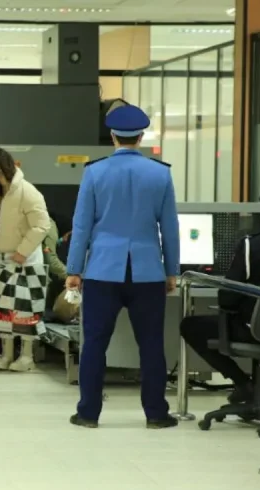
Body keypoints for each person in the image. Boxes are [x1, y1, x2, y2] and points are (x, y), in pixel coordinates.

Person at [65, 104, 179, 430]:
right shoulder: (160, 174)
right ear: (141, 137)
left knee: (95, 343)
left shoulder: (94, 172)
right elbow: (169, 228)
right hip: (147, 273)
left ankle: (88, 412)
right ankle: (156, 413)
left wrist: (74, 269)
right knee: (152, 344)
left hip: (102, 271)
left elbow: (82, 225)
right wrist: (171, 270)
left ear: (113, 136)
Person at [181, 183, 260, 405]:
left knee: (190, 326)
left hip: (254, 330)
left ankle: (244, 384)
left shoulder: (252, 246)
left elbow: (227, 299)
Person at [0, 147, 50, 373]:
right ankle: (6, 353)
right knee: (3, 307)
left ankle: (26, 356)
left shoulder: (27, 192)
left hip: (25, 259)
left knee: (26, 308)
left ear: (3, 167)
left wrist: (23, 250)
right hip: (1, 256)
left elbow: (42, 225)